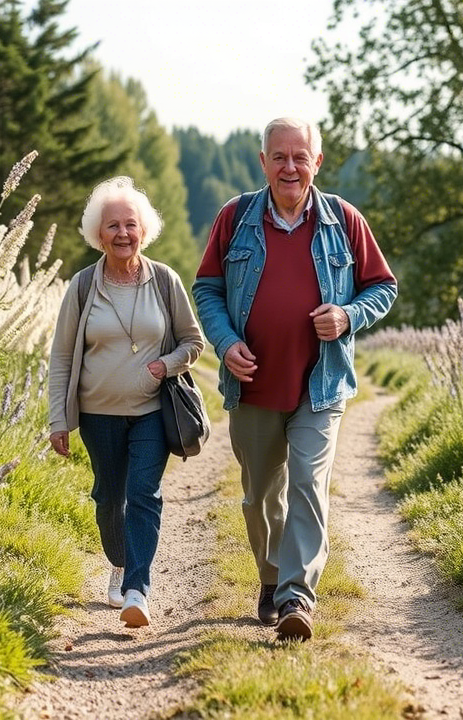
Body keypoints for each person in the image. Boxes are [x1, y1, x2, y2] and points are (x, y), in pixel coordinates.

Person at [192, 117, 397, 640]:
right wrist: (225, 341)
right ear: (263, 162)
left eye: (299, 157)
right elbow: (208, 289)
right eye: (279, 157)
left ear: (316, 163)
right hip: (253, 384)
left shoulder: (345, 221)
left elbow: (382, 288)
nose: (290, 167)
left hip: (320, 385)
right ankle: (270, 576)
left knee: (308, 484)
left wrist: (349, 315)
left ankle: (295, 598)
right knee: (260, 493)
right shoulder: (234, 218)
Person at [48, 176, 205, 628]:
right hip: (98, 415)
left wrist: (167, 366)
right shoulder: (82, 287)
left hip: (152, 412)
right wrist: (59, 419)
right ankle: (119, 562)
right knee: (108, 497)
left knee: (143, 494)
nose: (122, 233)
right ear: (99, 233)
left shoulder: (164, 280)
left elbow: (192, 341)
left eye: (130, 224)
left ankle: (138, 588)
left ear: (144, 230)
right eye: (112, 225)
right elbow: (61, 357)